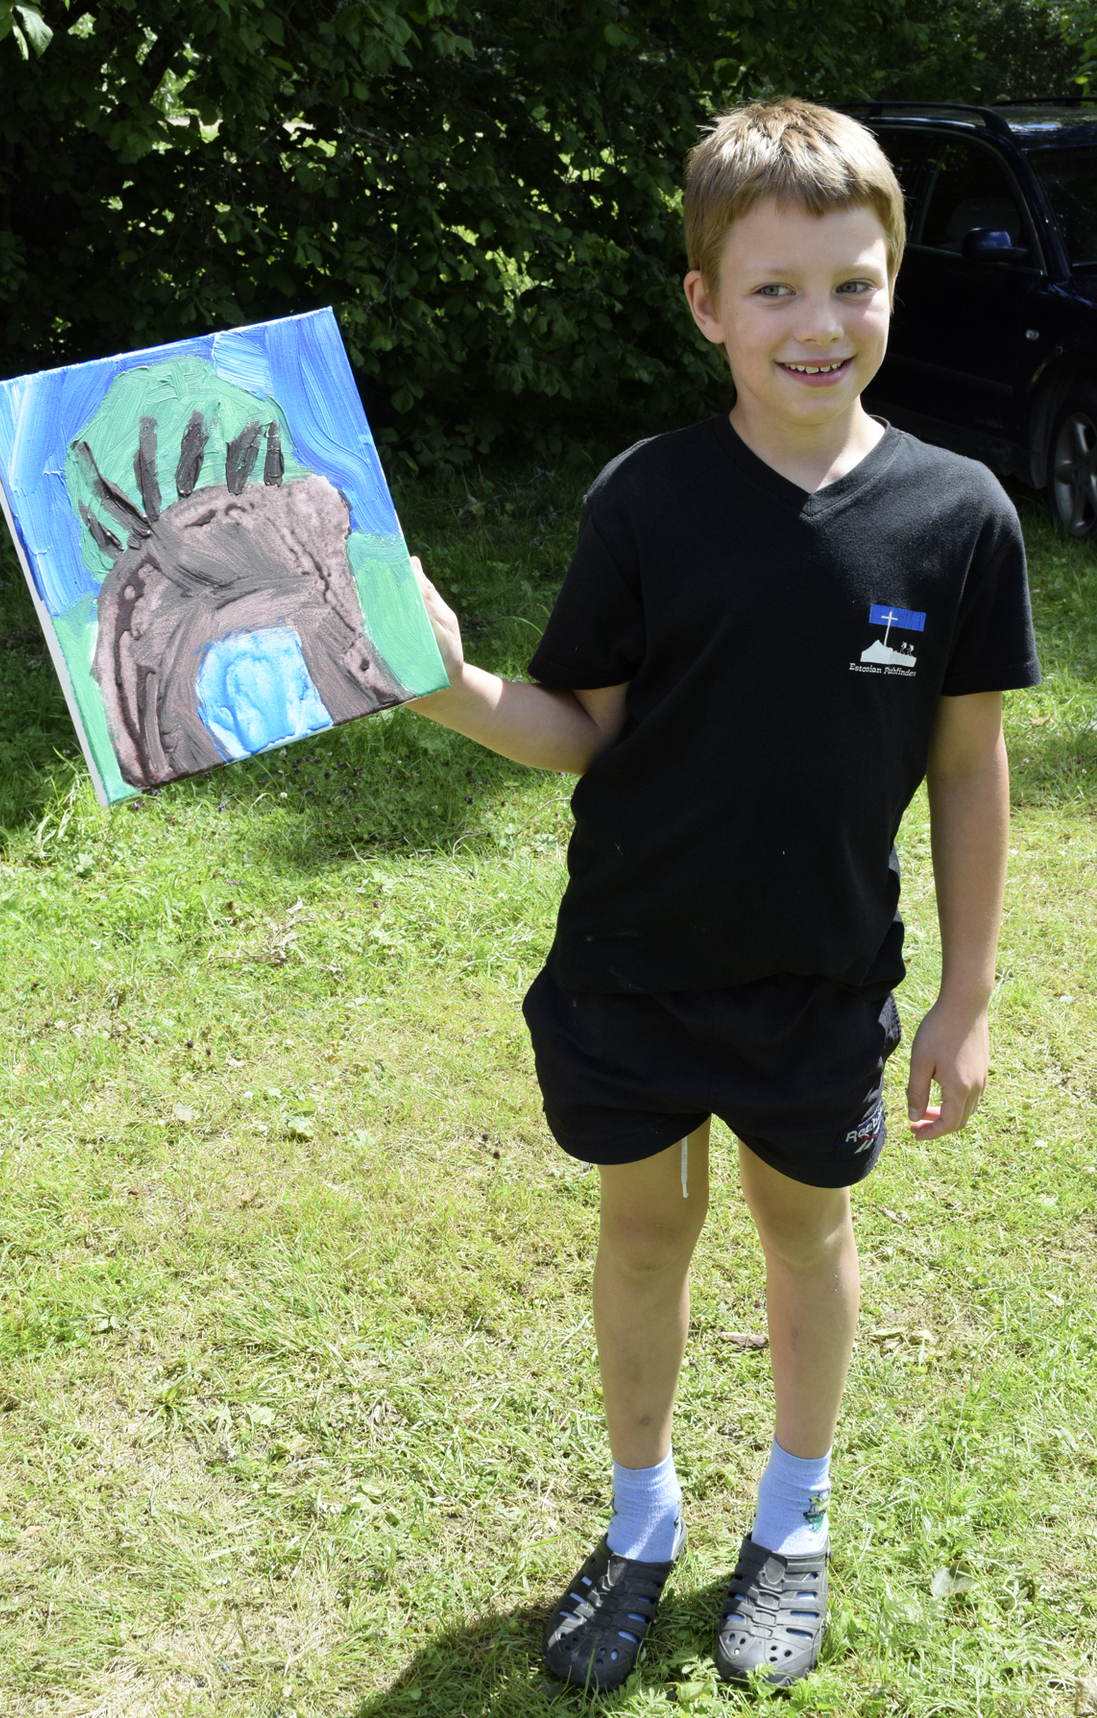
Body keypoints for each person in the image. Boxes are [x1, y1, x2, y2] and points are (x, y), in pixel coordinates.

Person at [404, 98, 1040, 1690]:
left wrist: (966, 998)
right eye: (774, 289)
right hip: (632, 966)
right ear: (705, 304)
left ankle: (793, 1524)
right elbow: (581, 730)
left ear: (894, 283)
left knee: (802, 1236)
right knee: (643, 1236)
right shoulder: (647, 500)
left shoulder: (960, 516)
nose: (818, 323)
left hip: (820, 976)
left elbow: (970, 769)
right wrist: (447, 686)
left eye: (852, 283)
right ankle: (640, 1522)